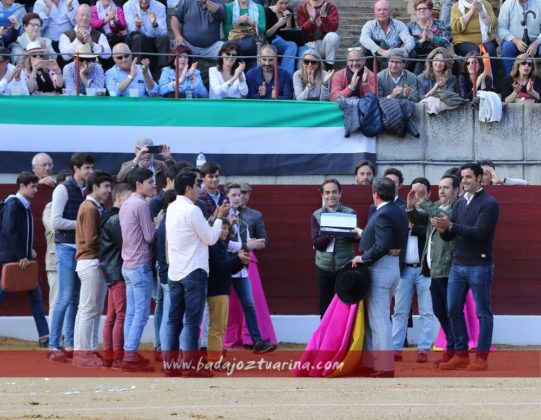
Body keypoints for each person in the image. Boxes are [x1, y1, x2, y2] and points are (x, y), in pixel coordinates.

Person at [433, 162, 499, 371]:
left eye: (469, 177)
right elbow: (450, 236)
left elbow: (480, 233)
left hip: (480, 263)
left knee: (483, 312)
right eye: (462, 177)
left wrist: (451, 226)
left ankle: (481, 358)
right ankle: (461, 354)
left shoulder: (489, 203)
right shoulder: (460, 203)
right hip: (458, 263)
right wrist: (442, 229)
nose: (464, 181)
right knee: (452, 308)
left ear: (480, 178)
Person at [162, 171, 229, 377]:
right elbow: (209, 239)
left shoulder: (172, 207)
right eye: (197, 185)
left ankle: (170, 367)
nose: (200, 189)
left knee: (174, 320)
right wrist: (219, 218)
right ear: (188, 188)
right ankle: (191, 366)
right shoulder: (193, 210)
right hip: (194, 271)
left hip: (175, 271)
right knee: (191, 321)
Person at [351, 177, 409, 378]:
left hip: (380, 267)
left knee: (379, 318)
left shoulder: (383, 213)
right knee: (374, 316)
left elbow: (382, 245)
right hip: (392, 265)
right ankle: (369, 363)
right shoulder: (399, 211)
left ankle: (384, 366)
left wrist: (363, 257)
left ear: (374, 193)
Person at [407, 173, 460, 365]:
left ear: (456, 190)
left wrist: (424, 200)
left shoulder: (458, 206)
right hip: (432, 268)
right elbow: (419, 218)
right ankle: (451, 348)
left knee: (450, 311)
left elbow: (439, 217)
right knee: (439, 310)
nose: (442, 191)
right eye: (441, 187)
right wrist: (411, 206)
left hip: (449, 267)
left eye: (446, 188)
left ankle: (456, 351)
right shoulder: (436, 205)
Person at [48, 152, 95, 363]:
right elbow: (55, 221)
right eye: (87, 168)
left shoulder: (85, 189)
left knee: (75, 298)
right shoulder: (63, 188)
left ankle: (69, 344)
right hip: (66, 248)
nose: (90, 171)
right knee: (66, 296)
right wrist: (82, 225)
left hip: (78, 249)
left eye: (91, 168)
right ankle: (53, 345)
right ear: (76, 168)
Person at [222, 183, 276, 353]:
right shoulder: (222, 216)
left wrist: (254, 244)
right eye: (234, 195)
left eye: (241, 194)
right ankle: (213, 343)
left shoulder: (244, 216)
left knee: (249, 304)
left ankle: (257, 341)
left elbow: (261, 239)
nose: (238, 198)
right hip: (225, 264)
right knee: (220, 305)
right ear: (227, 196)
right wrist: (246, 244)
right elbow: (221, 242)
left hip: (242, 264)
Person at [0, 172, 49, 348]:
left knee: (35, 296)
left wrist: (28, 250)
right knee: (4, 292)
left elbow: (16, 232)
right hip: (17, 261)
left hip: (21, 259)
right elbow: (8, 231)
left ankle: (45, 336)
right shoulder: (14, 204)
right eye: (33, 186)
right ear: (21, 186)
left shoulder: (20, 204)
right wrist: (22, 254)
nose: (36, 190)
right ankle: (45, 335)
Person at [119, 167, 160, 372]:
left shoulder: (126, 203)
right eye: (151, 182)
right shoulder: (142, 205)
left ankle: (129, 352)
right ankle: (130, 354)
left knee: (132, 312)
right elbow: (150, 237)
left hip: (127, 264)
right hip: (140, 264)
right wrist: (158, 223)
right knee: (141, 313)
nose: (154, 185)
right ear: (139, 184)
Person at [392, 177, 434, 363]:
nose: (416, 196)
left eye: (421, 193)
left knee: (426, 310)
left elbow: (426, 230)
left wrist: (412, 226)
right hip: (404, 269)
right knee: (400, 310)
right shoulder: (401, 212)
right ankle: (395, 348)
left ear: (428, 194)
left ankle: (424, 348)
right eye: (413, 192)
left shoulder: (432, 212)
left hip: (425, 269)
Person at [72, 170, 112, 368]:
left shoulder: (92, 206)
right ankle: (84, 353)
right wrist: (111, 242)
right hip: (91, 262)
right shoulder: (90, 208)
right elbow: (91, 240)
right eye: (105, 187)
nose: (108, 190)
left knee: (90, 310)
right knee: (89, 310)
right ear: (95, 187)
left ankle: (87, 350)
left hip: (91, 262)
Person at [311, 179, 359, 317]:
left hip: (344, 264)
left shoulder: (350, 213)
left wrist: (347, 232)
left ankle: (344, 338)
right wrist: (331, 232)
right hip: (323, 266)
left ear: (340, 193)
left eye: (334, 192)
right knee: (324, 305)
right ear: (322, 195)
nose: (331, 195)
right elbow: (317, 243)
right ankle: (325, 339)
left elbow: (355, 239)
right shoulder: (316, 215)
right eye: (327, 192)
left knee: (345, 304)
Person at [207, 219, 250, 361]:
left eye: (227, 228)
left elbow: (226, 269)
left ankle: (215, 356)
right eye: (222, 228)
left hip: (219, 288)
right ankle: (214, 359)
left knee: (219, 327)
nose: (226, 231)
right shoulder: (213, 246)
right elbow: (220, 268)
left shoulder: (219, 244)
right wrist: (238, 260)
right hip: (217, 290)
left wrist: (241, 262)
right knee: (218, 327)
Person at [99, 182, 132, 370]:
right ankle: (117, 357)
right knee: (120, 315)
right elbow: (126, 245)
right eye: (128, 200)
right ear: (118, 198)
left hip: (111, 270)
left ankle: (109, 356)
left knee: (112, 315)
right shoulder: (116, 219)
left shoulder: (109, 216)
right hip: (117, 270)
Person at [42, 170, 71, 332]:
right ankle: (55, 338)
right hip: (55, 261)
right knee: (57, 301)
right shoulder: (50, 207)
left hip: (71, 257)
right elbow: (55, 227)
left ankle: (67, 337)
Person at [359, 0, 415, 67]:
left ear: (390, 11)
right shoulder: (369, 25)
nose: (382, 12)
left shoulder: (399, 25)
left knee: (412, 52)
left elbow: (410, 41)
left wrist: (401, 51)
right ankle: (370, 76)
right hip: (376, 59)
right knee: (363, 48)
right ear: (374, 12)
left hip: (395, 59)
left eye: (385, 9)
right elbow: (363, 39)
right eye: (379, 10)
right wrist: (382, 51)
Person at [123, 0, 169, 79]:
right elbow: (130, 31)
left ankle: (162, 75)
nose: (144, 1)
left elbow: (163, 32)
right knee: (139, 39)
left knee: (164, 39)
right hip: (138, 37)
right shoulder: (128, 5)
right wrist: (137, 26)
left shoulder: (160, 7)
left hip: (154, 38)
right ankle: (137, 75)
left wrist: (155, 24)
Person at [497, 0, 541, 77]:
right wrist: (516, 40)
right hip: (514, 41)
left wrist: (537, 42)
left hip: (536, 41)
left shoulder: (539, 3)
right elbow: (501, 28)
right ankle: (510, 82)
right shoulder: (508, 4)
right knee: (507, 48)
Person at [408, 0, 451, 75]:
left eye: (424, 8)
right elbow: (408, 45)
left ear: (430, 11)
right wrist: (421, 41)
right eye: (419, 9)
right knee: (418, 68)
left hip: (438, 56)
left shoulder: (439, 24)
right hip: (419, 58)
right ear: (416, 12)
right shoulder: (411, 26)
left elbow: (446, 42)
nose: (421, 11)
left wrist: (430, 36)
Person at [296, 0, 340, 70]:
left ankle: (329, 66)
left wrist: (324, 18)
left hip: (324, 45)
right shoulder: (302, 8)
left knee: (333, 36)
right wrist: (311, 20)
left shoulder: (330, 6)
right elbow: (303, 31)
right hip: (309, 45)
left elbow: (332, 29)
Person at [223, 0, 266, 70]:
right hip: (235, 39)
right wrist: (237, 23)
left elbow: (262, 30)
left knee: (236, 47)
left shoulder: (259, 7)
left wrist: (252, 23)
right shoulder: (229, 7)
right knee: (235, 48)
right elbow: (226, 32)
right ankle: (240, 74)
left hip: (253, 40)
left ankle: (239, 73)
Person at [264, 0, 298, 77]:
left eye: (286, 3)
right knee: (292, 46)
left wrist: (288, 21)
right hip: (272, 41)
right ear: (275, 3)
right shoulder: (267, 11)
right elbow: (266, 35)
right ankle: (285, 76)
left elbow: (291, 33)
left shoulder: (289, 11)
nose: (284, 6)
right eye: (281, 3)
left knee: (302, 49)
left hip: (286, 41)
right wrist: (278, 24)